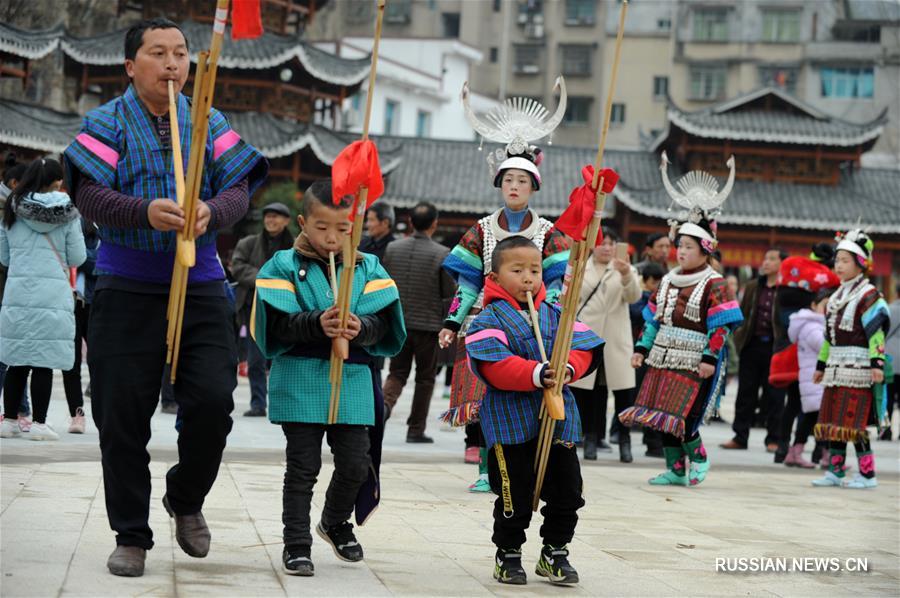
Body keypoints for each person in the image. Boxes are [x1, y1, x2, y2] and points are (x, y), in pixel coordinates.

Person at [62, 18, 267, 577]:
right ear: (131, 65)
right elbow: (89, 193)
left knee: (211, 402)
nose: (173, 63)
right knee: (120, 413)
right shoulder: (106, 121)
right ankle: (131, 532)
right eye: (159, 53)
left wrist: (212, 212)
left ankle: (186, 497)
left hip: (200, 282)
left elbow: (239, 186)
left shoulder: (206, 119)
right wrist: (143, 212)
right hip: (127, 284)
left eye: (181, 53)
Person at [252, 180, 405, 577]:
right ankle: (296, 544)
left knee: (356, 463)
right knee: (302, 467)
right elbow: (277, 325)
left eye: (342, 228)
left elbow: (385, 323)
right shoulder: (282, 265)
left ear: (353, 225)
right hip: (300, 377)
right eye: (321, 227)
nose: (332, 238)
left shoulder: (368, 267)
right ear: (303, 222)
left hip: (352, 377)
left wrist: (361, 326)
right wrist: (315, 323)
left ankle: (335, 521)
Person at [464, 237, 603, 585]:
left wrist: (568, 368)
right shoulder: (487, 319)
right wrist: (535, 373)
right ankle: (508, 553)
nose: (528, 277)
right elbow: (493, 365)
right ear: (494, 276)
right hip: (510, 419)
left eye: (535, 269)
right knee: (516, 492)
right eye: (517, 269)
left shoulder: (558, 312)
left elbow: (583, 347)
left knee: (568, 489)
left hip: (557, 418)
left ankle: (555, 551)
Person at [438, 146, 570, 492]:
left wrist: (550, 322)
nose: (514, 186)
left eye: (522, 180)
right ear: (499, 184)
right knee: (482, 399)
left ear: (533, 187)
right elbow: (468, 285)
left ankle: (527, 467)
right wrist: (452, 324)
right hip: (484, 321)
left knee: (523, 395)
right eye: (508, 179)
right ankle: (486, 469)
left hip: (531, 326)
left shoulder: (549, 233)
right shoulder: (480, 230)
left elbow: (555, 288)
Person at [620, 155, 743, 486]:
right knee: (662, 415)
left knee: (685, 413)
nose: (681, 252)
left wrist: (709, 358)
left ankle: (698, 455)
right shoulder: (668, 279)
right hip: (663, 353)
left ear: (705, 249)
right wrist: (641, 349)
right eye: (680, 246)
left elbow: (721, 326)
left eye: (688, 246)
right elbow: (653, 320)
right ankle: (675, 469)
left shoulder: (714, 283)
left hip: (695, 357)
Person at [0, 158, 86, 441]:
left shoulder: (11, 208)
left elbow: (3, 257)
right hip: (53, 296)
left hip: (18, 293)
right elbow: (77, 258)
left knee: (17, 359)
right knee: (43, 361)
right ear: (57, 180)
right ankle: (38, 423)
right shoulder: (68, 211)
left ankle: (10, 420)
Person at [811, 230, 889, 489]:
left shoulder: (869, 296)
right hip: (835, 367)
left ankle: (868, 475)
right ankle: (835, 471)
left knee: (853, 422)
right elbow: (828, 337)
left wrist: (876, 364)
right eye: (837, 260)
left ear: (860, 263)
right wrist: (821, 365)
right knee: (834, 420)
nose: (839, 265)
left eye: (845, 260)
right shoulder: (836, 296)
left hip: (858, 368)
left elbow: (876, 334)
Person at [381, 202, 455, 442]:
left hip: (399, 322)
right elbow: (448, 291)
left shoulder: (392, 248)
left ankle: (382, 410)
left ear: (411, 222)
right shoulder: (442, 253)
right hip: (428, 326)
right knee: (425, 378)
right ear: (435, 223)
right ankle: (415, 429)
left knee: (397, 372)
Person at [570, 227, 641, 463]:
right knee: (591, 394)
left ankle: (624, 440)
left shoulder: (625, 269)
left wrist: (626, 275)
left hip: (617, 340)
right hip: (589, 338)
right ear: (592, 245)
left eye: (611, 243)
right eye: (602, 243)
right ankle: (590, 438)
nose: (606, 247)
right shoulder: (581, 267)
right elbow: (569, 298)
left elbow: (634, 297)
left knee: (623, 394)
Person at [230, 201, 295, 417]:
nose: (271, 220)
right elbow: (237, 267)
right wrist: (265, 279)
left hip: (285, 310)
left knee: (283, 359)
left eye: (276, 216)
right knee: (255, 359)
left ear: (286, 221)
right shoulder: (248, 243)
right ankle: (258, 403)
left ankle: (282, 404)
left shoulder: (295, 248)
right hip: (254, 307)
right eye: (268, 216)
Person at [775, 258, 840, 468]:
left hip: (814, 382)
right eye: (825, 306)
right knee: (815, 420)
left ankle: (806, 452)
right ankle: (815, 454)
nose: (828, 311)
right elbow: (825, 347)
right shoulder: (812, 328)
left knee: (815, 420)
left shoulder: (810, 325)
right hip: (815, 381)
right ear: (813, 305)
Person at [721, 248, 788, 451]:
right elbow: (744, 313)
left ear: (781, 264)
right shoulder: (752, 287)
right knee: (745, 393)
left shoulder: (786, 289)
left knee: (775, 395)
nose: (766, 262)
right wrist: (740, 338)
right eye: (765, 258)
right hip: (752, 346)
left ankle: (773, 439)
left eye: (771, 259)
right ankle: (740, 437)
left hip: (775, 348)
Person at [0, 154, 32, 430]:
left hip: (10, 289)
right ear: (14, 183)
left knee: (10, 355)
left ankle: (18, 410)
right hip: (10, 290)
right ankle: (20, 410)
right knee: (11, 355)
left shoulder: (13, 208)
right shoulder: (11, 208)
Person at [61, 218, 100, 434]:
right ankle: (77, 415)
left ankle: (103, 412)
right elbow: (71, 259)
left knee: (99, 361)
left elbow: (98, 264)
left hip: (96, 304)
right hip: (72, 303)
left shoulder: (105, 231)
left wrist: (81, 258)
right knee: (70, 363)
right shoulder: (69, 224)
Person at [630, 262, 665, 458]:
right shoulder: (641, 297)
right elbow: (644, 319)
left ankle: (656, 441)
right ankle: (651, 440)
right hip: (644, 350)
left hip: (662, 353)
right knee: (647, 396)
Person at [882, 284, 900, 441]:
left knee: (887, 398)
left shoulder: (890, 309)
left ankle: (886, 431)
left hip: (891, 361)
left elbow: (882, 332)